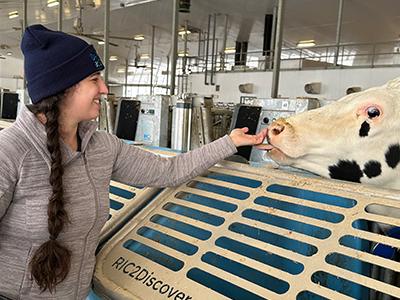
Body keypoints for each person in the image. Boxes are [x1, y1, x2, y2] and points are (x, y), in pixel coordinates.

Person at [0, 25, 267, 299]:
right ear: (63, 88)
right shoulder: (10, 152)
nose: (104, 89)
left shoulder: (103, 147)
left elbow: (169, 171)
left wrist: (229, 142)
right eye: (94, 79)